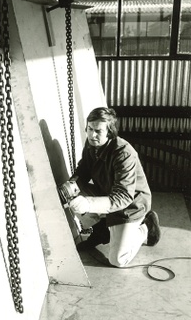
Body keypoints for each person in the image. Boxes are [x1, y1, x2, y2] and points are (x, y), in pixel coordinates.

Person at [68, 107, 161, 267]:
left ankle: (146, 226)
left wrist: (89, 203)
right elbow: (84, 170)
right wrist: (71, 185)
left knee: (118, 260)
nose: (92, 135)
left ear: (110, 133)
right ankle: (101, 231)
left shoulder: (124, 154)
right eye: (90, 129)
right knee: (71, 192)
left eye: (98, 131)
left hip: (130, 206)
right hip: (108, 197)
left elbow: (123, 197)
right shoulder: (92, 144)